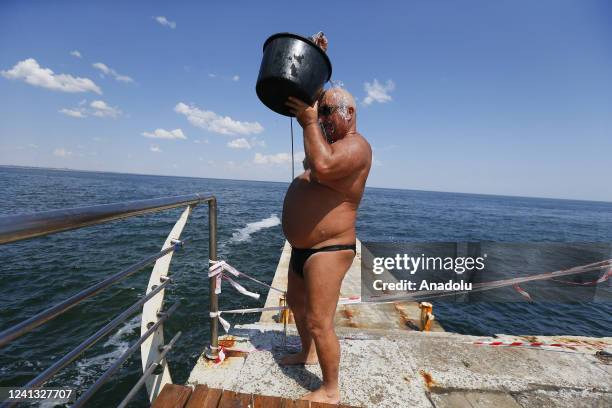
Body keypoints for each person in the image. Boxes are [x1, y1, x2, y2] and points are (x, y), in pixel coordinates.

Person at [282, 87, 372, 404]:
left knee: (320, 322)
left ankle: (331, 389)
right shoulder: (328, 140)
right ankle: (305, 353)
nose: (321, 118)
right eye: (320, 112)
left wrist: (308, 122)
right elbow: (316, 143)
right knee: (296, 302)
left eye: (327, 111)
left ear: (349, 113)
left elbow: (322, 166)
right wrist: (314, 84)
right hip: (302, 248)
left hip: (329, 249)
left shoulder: (357, 146)